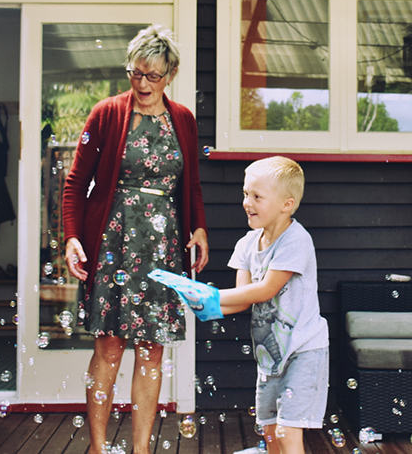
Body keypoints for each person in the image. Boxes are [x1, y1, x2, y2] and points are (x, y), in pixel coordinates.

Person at [61, 24, 208, 454]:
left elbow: (192, 186)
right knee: (109, 348)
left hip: (163, 247)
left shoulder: (183, 120)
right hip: (114, 243)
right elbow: (75, 184)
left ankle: (141, 449)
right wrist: (72, 238)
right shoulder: (106, 113)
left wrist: (198, 227)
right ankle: (99, 447)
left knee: (152, 353)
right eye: (136, 73)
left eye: (153, 76)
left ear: (172, 73)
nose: (143, 84)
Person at [218, 156, 329, 454]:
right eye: (245, 194)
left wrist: (213, 297)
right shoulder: (246, 244)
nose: (247, 202)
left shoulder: (296, 240)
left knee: (287, 432)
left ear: (286, 204)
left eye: (257, 196)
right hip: (270, 358)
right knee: (270, 432)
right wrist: (197, 305)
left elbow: (266, 289)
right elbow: (243, 298)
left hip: (305, 351)